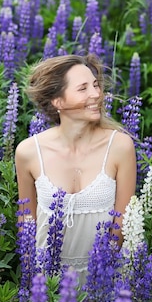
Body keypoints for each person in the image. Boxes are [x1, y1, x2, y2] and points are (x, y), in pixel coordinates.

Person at [15, 53, 137, 277]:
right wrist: (32, 276)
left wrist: (101, 276)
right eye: (83, 89)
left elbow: (123, 223)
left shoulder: (120, 146)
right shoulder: (28, 151)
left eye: (95, 85)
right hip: (47, 281)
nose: (96, 94)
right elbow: (26, 220)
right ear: (58, 101)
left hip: (101, 277)